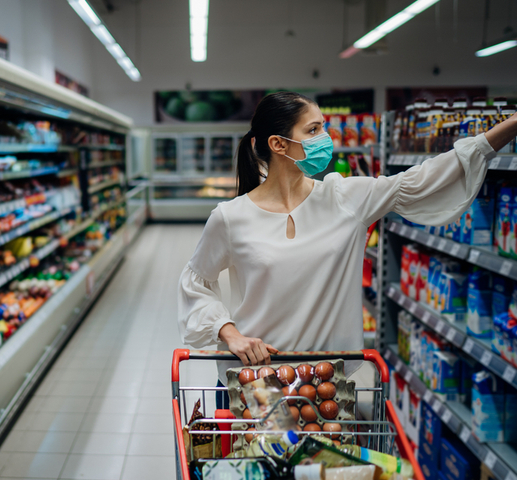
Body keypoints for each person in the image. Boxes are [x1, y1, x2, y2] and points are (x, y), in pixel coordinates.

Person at [177, 91, 517, 409]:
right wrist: (229, 332)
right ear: (279, 144)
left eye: (324, 127)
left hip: (326, 384)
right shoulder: (230, 217)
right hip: (252, 380)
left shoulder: (345, 199)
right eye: (314, 130)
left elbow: (426, 178)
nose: (327, 139)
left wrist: (507, 129)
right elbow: (195, 283)